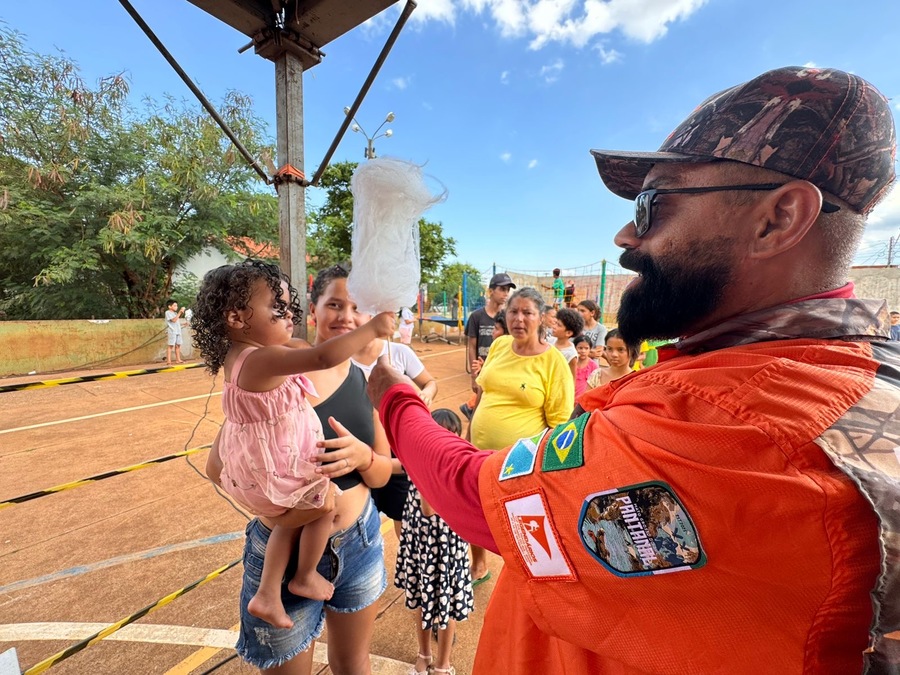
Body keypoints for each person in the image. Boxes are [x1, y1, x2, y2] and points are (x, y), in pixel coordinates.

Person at [368, 66, 900, 673]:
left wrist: (393, 398)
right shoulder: (854, 366)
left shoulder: (730, 422)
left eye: (654, 203)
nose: (625, 232)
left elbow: (475, 496)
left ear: (778, 218)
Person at [208, 263, 396, 674]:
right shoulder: (275, 374)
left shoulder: (363, 380)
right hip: (285, 545)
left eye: (357, 308)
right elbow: (217, 464)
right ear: (314, 310)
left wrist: (364, 457)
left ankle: (296, 576)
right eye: (334, 304)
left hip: (360, 541)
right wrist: (279, 508)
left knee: (354, 662)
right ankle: (283, 584)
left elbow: (381, 474)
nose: (347, 316)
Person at [467, 286, 574, 585]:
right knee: (475, 512)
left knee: (515, 524)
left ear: (541, 318)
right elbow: (483, 390)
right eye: (513, 311)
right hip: (478, 452)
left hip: (518, 465)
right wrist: (470, 430)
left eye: (527, 312)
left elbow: (558, 424)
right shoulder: (500, 345)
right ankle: (478, 565)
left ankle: (522, 579)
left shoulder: (553, 362)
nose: (519, 318)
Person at [395, 408, 474, 675]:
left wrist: (425, 466)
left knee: (447, 606)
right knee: (419, 600)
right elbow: (394, 465)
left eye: (447, 436)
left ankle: (443, 664)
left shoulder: (454, 469)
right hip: (421, 549)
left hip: (448, 552)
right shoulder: (417, 463)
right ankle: (423, 653)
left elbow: (430, 509)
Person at [351, 314, 438, 541]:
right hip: (359, 451)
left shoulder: (399, 353)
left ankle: (407, 566)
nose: (354, 318)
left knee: (403, 515)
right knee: (358, 517)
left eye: (361, 310)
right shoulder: (341, 360)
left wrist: (426, 394)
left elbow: (430, 383)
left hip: (397, 449)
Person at [462, 273, 516, 418]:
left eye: (507, 290)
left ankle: (470, 408)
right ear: (491, 291)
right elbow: (472, 347)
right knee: (481, 406)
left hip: (501, 370)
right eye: (502, 289)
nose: (505, 293)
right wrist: (474, 376)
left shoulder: (508, 317)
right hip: (482, 369)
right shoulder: (476, 316)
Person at [551, 307, 584, 379]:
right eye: (555, 323)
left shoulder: (570, 354)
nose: (554, 327)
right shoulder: (549, 341)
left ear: (568, 333)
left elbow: (572, 378)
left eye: (558, 325)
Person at [572, 334, 598, 399]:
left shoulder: (593, 366)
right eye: (580, 348)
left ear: (590, 349)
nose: (583, 351)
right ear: (574, 348)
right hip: (570, 398)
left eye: (586, 348)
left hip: (585, 401)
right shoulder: (571, 363)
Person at [164, 298, 185, 365]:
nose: (176, 307)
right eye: (175, 306)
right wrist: (180, 312)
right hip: (172, 331)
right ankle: (169, 361)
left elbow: (176, 322)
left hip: (178, 331)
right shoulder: (167, 312)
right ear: (169, 306)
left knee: (178, 345)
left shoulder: (175, 313)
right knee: (170, 346)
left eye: (177, 306)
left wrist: (183, 324)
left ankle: (178, 359)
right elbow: (173, 320)